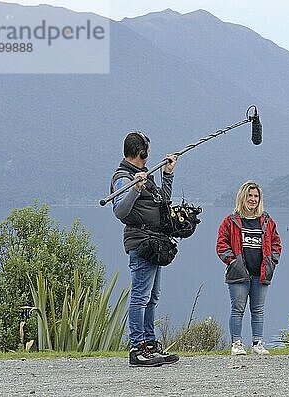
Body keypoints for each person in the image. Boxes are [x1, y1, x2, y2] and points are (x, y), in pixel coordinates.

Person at [111, 131, 180, 367]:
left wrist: (167, 175)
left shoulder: (145, 176)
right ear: (141, 152)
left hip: (155, 242)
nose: (148, 156)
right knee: (140, 297)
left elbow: (163, 203)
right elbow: (120, 211)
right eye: (147, 151)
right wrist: (135, 188)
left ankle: (150, 344)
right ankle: (136, 347)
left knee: (152, 297)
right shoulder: (123, 178)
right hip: (141, 242)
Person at [216, 181, 282, 355]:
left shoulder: (267, 221)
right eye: (249, 196)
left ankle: (257, 343)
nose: (253, 199)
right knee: (237, 309)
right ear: (242, 198)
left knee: (258, 309)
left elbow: (276, 243)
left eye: (256, 196)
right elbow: (221, 244)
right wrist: (232, 261)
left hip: (260, 274)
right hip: (238, 274)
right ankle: (236, 343)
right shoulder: (231, 221)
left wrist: (272, 261)